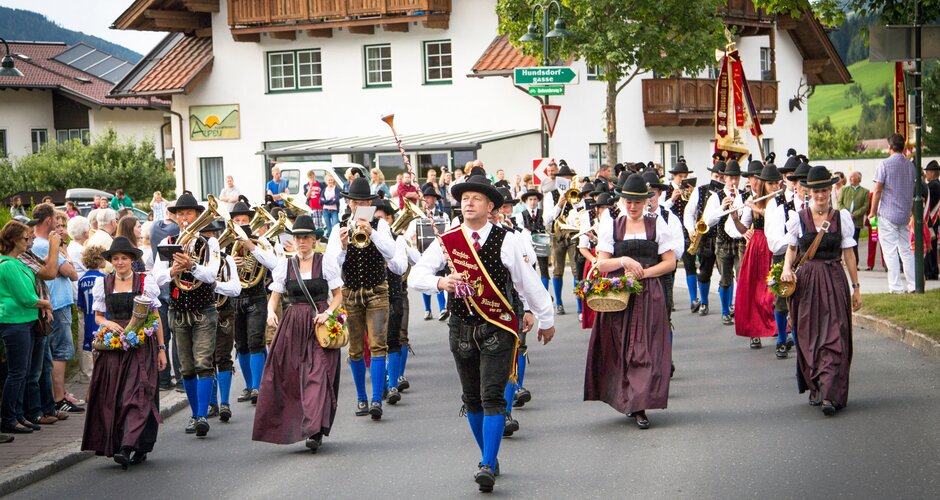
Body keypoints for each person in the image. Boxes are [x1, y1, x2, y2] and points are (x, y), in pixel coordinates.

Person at [409, 175, 554, 492]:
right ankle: (488, 454)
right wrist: (441, 283)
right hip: (461, 328)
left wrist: (545, 317)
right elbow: (416, 275)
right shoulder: (447, 241)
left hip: (497, 327)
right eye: (464, 198)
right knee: (471, 399)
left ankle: (487, 463)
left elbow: (526, 282)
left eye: (476, 198)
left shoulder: (508, 240)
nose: (468, 203)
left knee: (491, 397)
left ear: (491, 206)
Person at [585, 173, 675, 430]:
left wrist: (644, 273)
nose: (633, 206)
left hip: (649, 293)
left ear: (646, 201)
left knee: (645, 347)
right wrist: (624, 261)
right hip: (619, 294)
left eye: (637, 201)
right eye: (628, 201)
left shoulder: (657, 224)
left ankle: (639, 405)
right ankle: (627, 397)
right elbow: (601, 263)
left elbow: (670, 262)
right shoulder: (611, 224)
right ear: (622, 200)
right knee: (621, 347)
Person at [252, 215, 342, 452]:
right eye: (298, 237)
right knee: (290, 377)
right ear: (293, 240)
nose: (302, 241)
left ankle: (315, 429)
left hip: (319, 323)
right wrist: (271, 313)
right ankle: (299, 426)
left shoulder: (326, 261)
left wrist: (329, 313)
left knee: (319, 374)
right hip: (292, 325)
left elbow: (339, 296)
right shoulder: (285, 264)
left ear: (314, 240)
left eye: (306, 237)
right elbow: (274, 298)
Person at [781, 166, 861, 416]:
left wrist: (856, 288)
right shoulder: (798, 218)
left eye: (825, 190)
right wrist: (786, 269)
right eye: (816, 191)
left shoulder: (841, 217)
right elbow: (792, 249)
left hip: (834, 279)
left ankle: (830, 394)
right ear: (809, 192)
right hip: (806, 284)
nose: (821, 195)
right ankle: (817, 386)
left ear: (830, 191)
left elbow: (848, 254)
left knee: (835, 334)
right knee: (809, 336)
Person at [81, 237, 166, 468]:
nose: (120, 262)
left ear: (132, 260)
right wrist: (108, 325)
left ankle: (128, 446)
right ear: (111, 261)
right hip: (114, 347)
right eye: (116, 258)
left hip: (142, 347)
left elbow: (155, 316)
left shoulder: (144, 282)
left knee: (136, 394)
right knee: (115, 396)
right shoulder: (104, 283)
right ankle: (127, 444)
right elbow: (98, 316)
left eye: (124, 258)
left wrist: (161, 349)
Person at [325, 177, 398, 419]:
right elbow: (330, 269)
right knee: (355, 349)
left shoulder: (381, 225)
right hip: (350, 293)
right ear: (349, 203)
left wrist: (372, 232)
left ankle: (376, 398)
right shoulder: (338, 228)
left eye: (365, 201)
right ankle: (361, 398)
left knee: (378, 345)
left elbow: (391, 253)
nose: (360, 205)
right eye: (356, 202)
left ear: (370, 203)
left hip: (377, 290)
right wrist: (344, 248)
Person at [152, 193, 221, 437]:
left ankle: (202, 415)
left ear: (197, 216)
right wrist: (174, 269)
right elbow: (156, 278)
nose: (183, 218)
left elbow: (212, 275)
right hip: (178, 310)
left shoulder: (209, 243)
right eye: (180, 214)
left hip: (203, 309)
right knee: (186, 367)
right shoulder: (168, 242)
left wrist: (192, 266)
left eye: (188, 213)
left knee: (203, 362)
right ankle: (194, 414)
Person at [1, 220, 54, 435]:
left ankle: (19, 414)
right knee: (17, 373)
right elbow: (26, 297)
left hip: (26, 321)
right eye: (25, 238)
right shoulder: (8, 264)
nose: (28, 241)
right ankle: (8, 417)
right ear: (13, 240)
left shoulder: (19, 263)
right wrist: (45, 303)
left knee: (23, 372)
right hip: (15, 322)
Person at [226, 202, 278, 406]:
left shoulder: (261, 241)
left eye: (244, 221)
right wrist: (231, 263)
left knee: (256, 340)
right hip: (235, 298)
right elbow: (217, 272)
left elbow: (274, 264)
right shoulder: (227, 244)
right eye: (236, 221)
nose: (240, 224)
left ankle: (258, 386)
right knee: (241, 344)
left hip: (256, 297)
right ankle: (249, 386)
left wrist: (251, 247)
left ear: (250, 222)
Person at [30, 205, 80, 414]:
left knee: (51, 354)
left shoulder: (38, 243)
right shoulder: (43, 245)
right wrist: (62, 250)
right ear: (48, 220)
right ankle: (58, 399)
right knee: (61, 352)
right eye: (55, 221)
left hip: (54, 303)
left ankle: (57, 396)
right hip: (56, 304)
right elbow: (72, 272)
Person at [727, 160, 778, 351]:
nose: (774, 187)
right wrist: (734, 218)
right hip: (757, 246)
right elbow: (742, 228)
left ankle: (777, 327)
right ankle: (754, 332)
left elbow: (773, 218)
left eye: (776, 183)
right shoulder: (753, 200)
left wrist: (756, 208)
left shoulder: (779, 202)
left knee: (772, 291)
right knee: (754, 290)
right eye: (770, 183)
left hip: (775, 246)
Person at [371, 199, 409, 405]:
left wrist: (386, 250)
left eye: (383, 217)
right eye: (375, 218)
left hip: (393, 294)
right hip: (372, 296)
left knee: (393, 339)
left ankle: (393, 383)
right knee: (376, 342)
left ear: (390, 219)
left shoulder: (398, 240)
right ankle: (382, 383)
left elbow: (401, 267)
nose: (379, 221)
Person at [870, 133, 916, 293]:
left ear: (890, 148)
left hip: (888, 214)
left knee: (890, 251)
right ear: (903, 147)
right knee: (906, 250)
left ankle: (896, 287)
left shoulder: (884, 164)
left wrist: (872, 212)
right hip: (904, 214)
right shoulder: (911, 166)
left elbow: (877, 190)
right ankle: (913, 285)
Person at [703, 159, 744, 330]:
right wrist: (722, 208)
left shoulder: (744, 195)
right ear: (724, 178)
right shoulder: (716, 197)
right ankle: (725, 310)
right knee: (725, 278)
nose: (733, 182)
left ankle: (740, 309)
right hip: (722, 241)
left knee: (742, 276)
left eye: (736, 178)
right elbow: (707, 221)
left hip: (741, 242)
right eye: (730, 178)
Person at [544, 162, 582, 315]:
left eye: (569, 178)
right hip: (557, 234)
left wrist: (576, 201)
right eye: (565, 178)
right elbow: (547, 217)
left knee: (575, 270)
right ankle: (559, 303)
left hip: (573, 233)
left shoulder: (575, 193)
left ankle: (580, 307)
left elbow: (581, 212)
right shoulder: (550, 195)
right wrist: (560, 204)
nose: (567, 180)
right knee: (558, 270)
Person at [67, 216, 92, 380]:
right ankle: (87, 372)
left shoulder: (71, 247)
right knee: (86, 331)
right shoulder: (80, 251)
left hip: (79, 294)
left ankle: (86, 370)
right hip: (83, 296)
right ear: (85, 232)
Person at [515, 189, 550, 290]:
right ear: (526, 201)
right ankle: (533, 294)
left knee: (544, 269)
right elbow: (519, 228)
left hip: (542, 243)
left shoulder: (543, 213)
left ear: (538, 201)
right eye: (530, 199)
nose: (533, 202)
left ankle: (545, 293)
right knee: (530, 269)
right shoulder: (521, 215)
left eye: (535, 199)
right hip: (528, 244)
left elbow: (550, 219)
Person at [837, 171, 870, 268]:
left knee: (854, 242)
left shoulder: (865, 192)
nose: (850, 178)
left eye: (853, 177)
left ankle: (855, 264)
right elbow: (840, 203)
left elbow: (865, 206)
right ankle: (838, 262)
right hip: (844, 220)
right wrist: (846, 214)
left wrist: (854, 214)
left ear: (858, 179)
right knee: (840, 241)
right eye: (850, 177)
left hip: (857, 221)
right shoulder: (844, 190)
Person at [925, 160, 940, 280]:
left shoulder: (932, 186)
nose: (926, 175)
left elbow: (928, 204)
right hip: (935, 220)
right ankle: (933, 269)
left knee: (929, 246)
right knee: (933, 246)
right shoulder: (937, 184)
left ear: (933, 173)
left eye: (928, 172)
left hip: (930, 220)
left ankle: (931, 271)